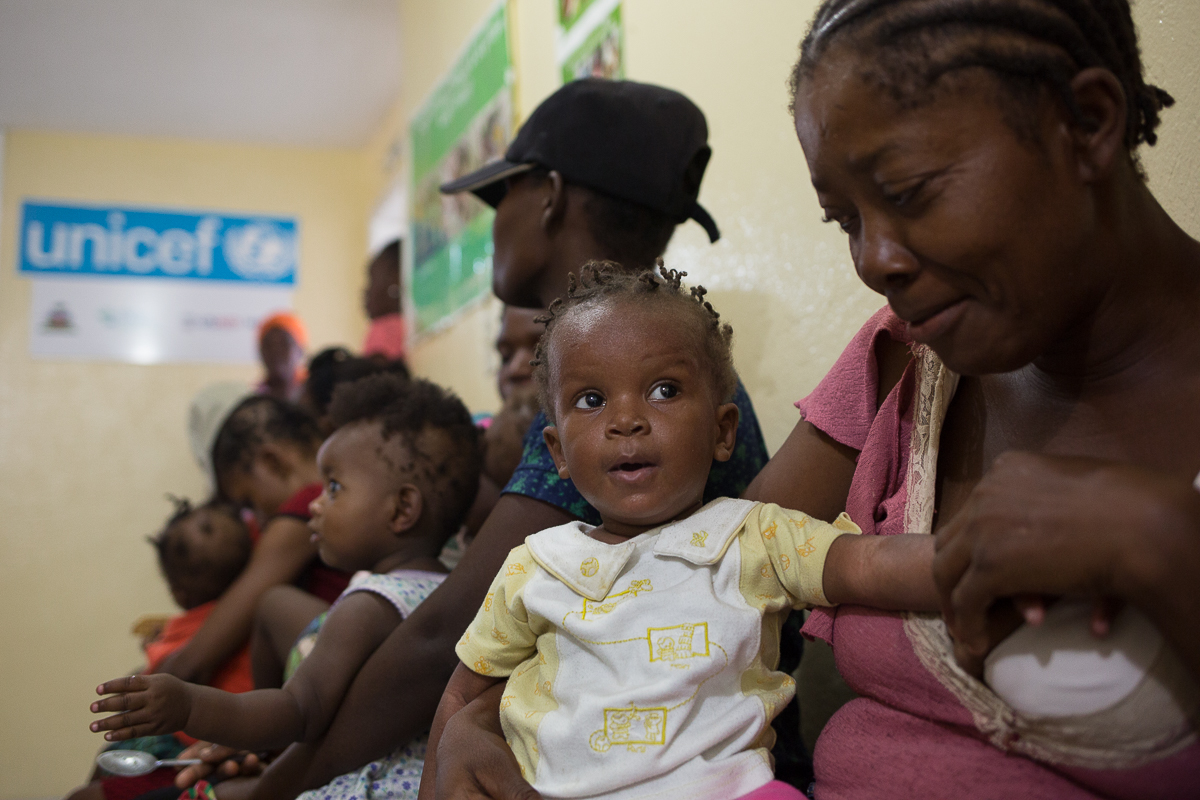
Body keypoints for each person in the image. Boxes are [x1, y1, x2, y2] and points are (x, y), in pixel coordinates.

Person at [434, 1, 1200, 797]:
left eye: (909, 190)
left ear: (1090, 121)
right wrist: (482, 723)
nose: (873, 260)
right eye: (844, 221)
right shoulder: (903, 348)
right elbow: (684, 581)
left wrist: (1165, 544)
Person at [177, 78, 777, 798]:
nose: (488, 228)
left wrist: (278, 788)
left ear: (549, 194)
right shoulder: (665, 379)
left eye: (499, 200)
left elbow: (440, 642)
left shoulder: (609, 408)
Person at [422, 264, 938, 800]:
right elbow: (460, 701)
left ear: (722, 431)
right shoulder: (535, 566)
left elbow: (863, 564)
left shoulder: (753, 536)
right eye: (592, 400)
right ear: (558, 452)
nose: (627, 420)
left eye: (664, 390)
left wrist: (963, 559)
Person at [91, 374, 481, 800]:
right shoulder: (452, 593)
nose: (316, 502)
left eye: (333, 488)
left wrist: (188, 705)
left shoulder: (368, 605)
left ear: (402, 508)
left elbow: (298, 709)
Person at [65, 499, 256, 800]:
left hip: (195, 746)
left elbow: (164, 676)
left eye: (208, 525)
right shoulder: (233, 616)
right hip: (210, 739)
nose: (206, 532)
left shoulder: (197, 625)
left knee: (93, 785)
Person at [154, 397, 349, 686]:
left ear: (272, 462)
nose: (257, 520)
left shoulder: (307, 506)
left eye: (249, 501)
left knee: (273, 606)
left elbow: (195, 660)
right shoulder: (349, 484)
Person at [362, 242, 407, 361]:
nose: (365, 291)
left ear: (395, 284)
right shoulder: (409, 324)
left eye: (371, 281)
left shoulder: (383, 327)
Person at [257, 313, 308, 403]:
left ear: (300, 351)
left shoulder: (315, 398)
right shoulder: (255, 401)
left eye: (285, 344)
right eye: (268, 344)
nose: (275, 351)